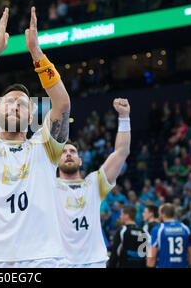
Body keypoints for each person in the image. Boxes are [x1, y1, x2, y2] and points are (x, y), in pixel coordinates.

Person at [0, 7, 71, 267]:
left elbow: (62, 105)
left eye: (22, 103)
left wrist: (36, 53)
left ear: (32, 115)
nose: (15, 106)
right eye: (8, 103)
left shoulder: (45, 146)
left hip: (43, 259)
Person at [55, 98, 131, 268]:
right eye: (64, 152)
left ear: (80, 161)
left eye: (73, 151)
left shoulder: (94, 183)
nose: (68, 154)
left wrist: (124, 117)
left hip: (94, 262)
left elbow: (121, 152)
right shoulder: (49, 185)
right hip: (61, 263)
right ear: (56, 161)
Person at [147, 203, 191, 268]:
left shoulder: (158, 229)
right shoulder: (185, 228)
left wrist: (149, 265)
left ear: (163, 214)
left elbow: (152, 256)